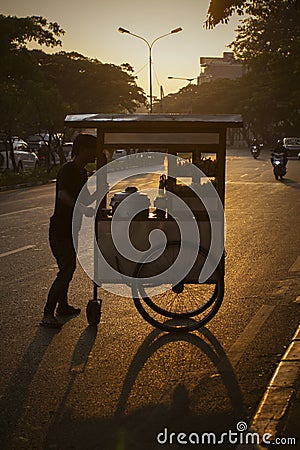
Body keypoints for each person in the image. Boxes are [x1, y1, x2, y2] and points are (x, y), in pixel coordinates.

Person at [41, 134, 97, 328]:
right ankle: (48, 312)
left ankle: (62, 306)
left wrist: (100, 188)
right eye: (93, 149)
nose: (95, 154)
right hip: (60, 230)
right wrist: (81, 208)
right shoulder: (67, 170)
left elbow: (87, 199)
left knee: (67, 267)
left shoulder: (82, 173)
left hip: (72, 229)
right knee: (67, 269)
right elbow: (63, 196)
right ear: (83, 150)